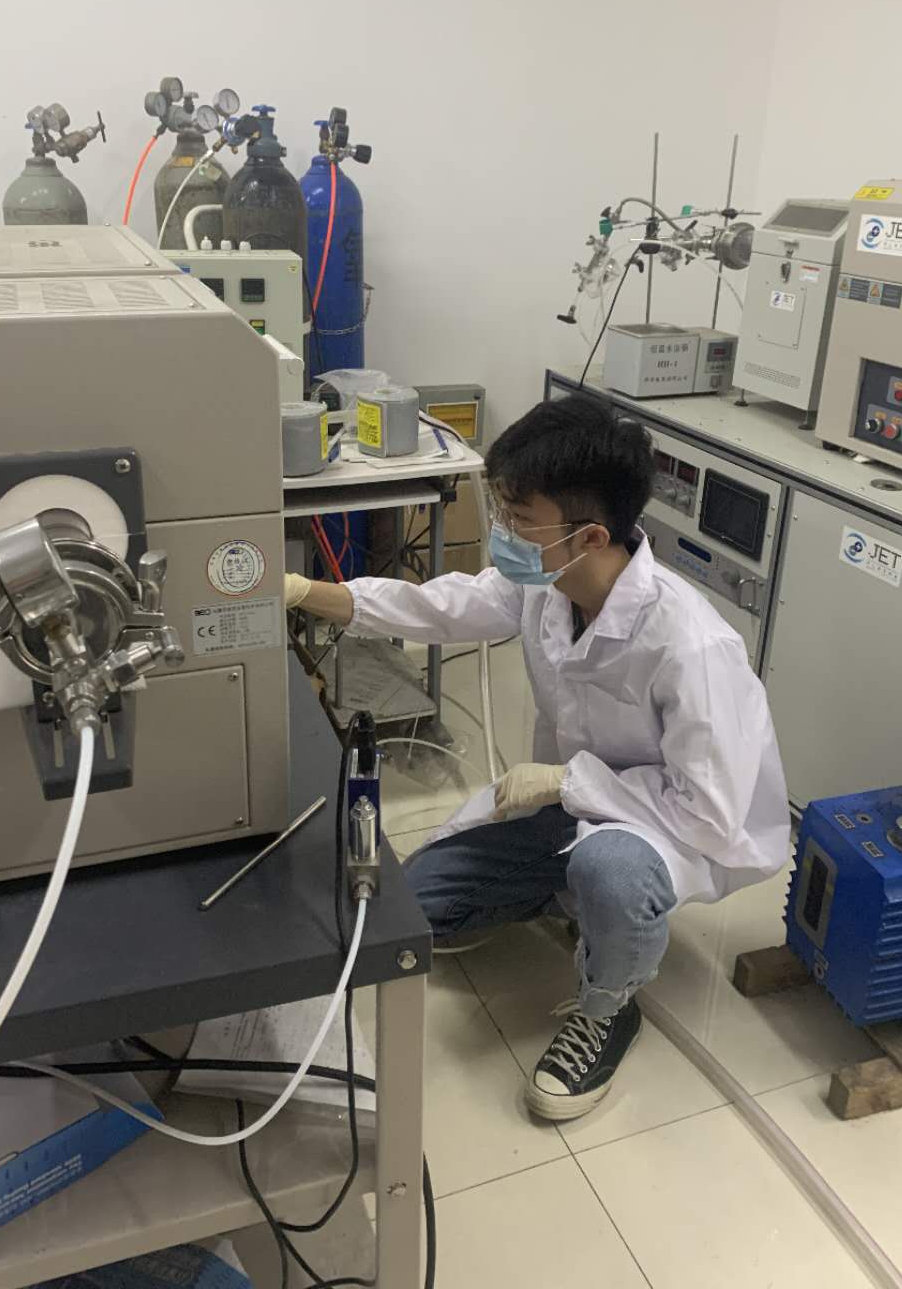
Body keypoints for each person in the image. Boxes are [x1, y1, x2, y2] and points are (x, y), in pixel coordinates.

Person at [285, 394, 789, 1122]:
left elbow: (709, 812)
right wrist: (313, 594)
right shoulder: (547, 584)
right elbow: (443, 608)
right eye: (501, 510)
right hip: (566, 807)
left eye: (519, 518)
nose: (502, 533)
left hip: (666, 830)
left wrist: (566, 780)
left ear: (591, 536)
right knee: (417, 905)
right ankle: (572, 896)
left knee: (609, 870)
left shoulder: (690, 645)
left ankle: (609, 1007)